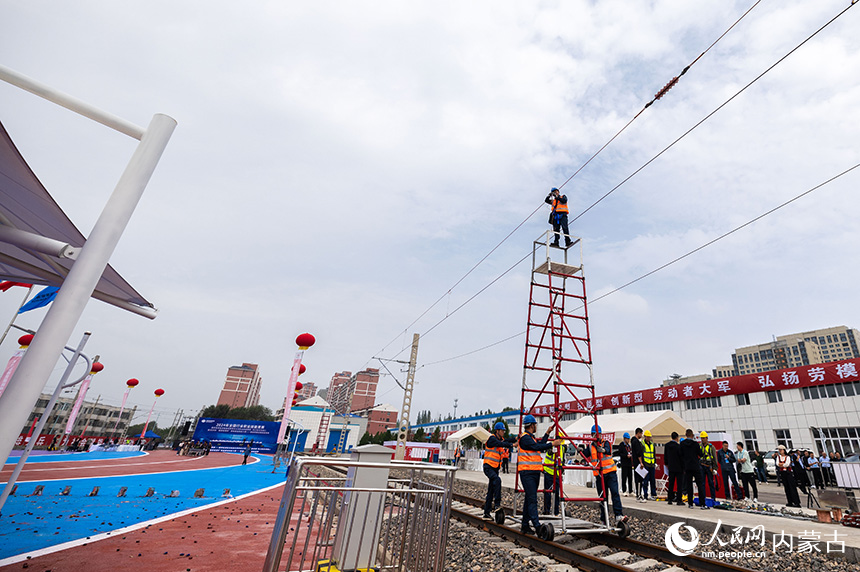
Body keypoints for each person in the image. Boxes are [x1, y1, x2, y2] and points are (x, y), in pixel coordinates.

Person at [517, 415, 561, 534]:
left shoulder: (530, 437)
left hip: (533, 472)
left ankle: (525, 525)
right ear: (532, 425)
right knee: (532, 500)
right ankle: (537, 526)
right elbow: (538, 447)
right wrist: (552, 444)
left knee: (529, 499)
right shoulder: (525, 438)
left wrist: (547, 433)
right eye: (535, 424)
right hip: (527, 473)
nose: (536, 426)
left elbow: (539, 445)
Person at [583, 424, 628, 526]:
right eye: (594, 435)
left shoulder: (605, 443)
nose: (596, 437)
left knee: (615, 493)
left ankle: (618, 515)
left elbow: (607, 450)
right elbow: (585, 454)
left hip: (610, 473)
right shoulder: (590, 446)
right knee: (603, 497)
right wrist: (580, 451)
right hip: (600, 475)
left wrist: (603, 450)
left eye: (597, 435)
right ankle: (604, 519)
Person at [483, 422, 515, 519]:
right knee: (497, 480)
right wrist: (512, 445)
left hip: (495, 468)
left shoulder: (501, 439)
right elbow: (501, 443)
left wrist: (516, 439)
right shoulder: (492, 439)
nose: (503, 432)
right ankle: (497, 504)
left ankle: (486, 513)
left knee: (491, 491)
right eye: (502, 430)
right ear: (497, 431)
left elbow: (507, 440)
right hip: (488, 467)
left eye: (504, 430)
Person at [681, 429, 706, 509]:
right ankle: (702, 504)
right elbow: (701, 454)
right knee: (699, 485)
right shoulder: (695, 444)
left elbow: (681, 455)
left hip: (687, 467)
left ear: (686, 435)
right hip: (695, 466)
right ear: (692, 435)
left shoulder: (682, 444)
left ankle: (690, 503)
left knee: (689, 485)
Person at [543, 440, 566, 515]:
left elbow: (562, 460)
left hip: (556, 474)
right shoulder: (551, 446)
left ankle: (555, 512)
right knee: (548, 493)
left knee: (556, 494)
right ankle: (547, 511)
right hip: (549, 471)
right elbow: (549, 452)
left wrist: (561, 470)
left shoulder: (562, 448)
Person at [664, 431, 684, 506]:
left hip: (671, 467)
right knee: (679, 484)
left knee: (671, 483)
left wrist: (667, 464)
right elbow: (681, 457)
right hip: (678, 468)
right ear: (677, 438)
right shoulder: (679, 447)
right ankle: (679, 500)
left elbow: (665, 456)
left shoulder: (667, 445)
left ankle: (670, 499)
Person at [698, 432, 718, 505]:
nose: (702, 440)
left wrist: (715, 468)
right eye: (701, 438)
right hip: (702, 466)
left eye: (703, 438)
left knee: (711, 483)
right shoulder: (699, 446)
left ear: (707, 438)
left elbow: (715, 458)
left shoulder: (711, 447)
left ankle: (713, 498)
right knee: (702, 483)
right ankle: (703, 498)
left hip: (709, 467)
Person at [639, 430, 657, 502]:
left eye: (650, 437)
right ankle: (645, 495)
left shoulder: (652, 444)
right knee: (646, 480)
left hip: (651, 464)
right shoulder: (642, 444)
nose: (649, 438)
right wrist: (641, 463)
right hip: (646, 464)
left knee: (652, 480)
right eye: (648, 437)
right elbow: (641, 454)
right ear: (645, 437)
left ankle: (653, 494)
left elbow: (654, 454)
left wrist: (655, 462)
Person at [630, 428, 644, 500]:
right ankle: (638, 494)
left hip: (635, 463)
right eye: (641, 433)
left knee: (637, 478)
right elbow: (639, 453)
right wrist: (641, 462)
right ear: (638, 433)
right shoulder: (636, 442)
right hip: (638, 463)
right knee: (639, 479)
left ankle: (638, 493)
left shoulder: (633, 441)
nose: (641, 435)